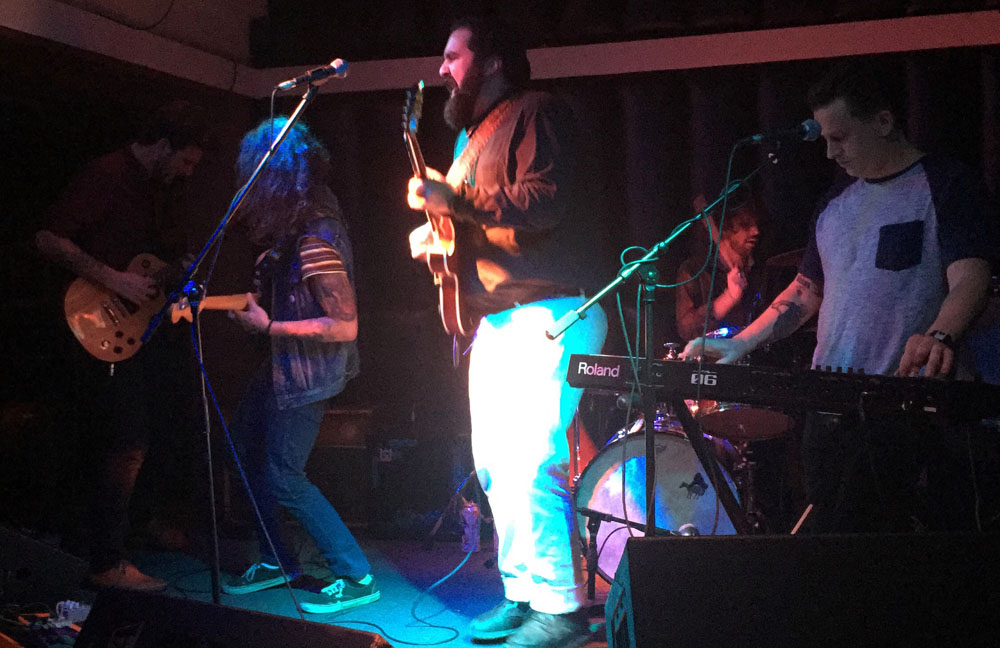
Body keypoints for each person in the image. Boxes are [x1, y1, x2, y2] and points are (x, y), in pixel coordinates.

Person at [681, 59, 996, 533]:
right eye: (825, 139)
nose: (830, 152)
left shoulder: (946, 184)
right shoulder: (834, 202)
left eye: (840, 137)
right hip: (829, 404)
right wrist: (741, 342)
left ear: (884, 122)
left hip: (907, 403)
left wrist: (938, 336)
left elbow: (971, 277)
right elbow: (805, 290)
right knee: (832, 545)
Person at [406, 15, 608, 648]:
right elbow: (473, 225)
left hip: (550, 310)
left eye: (453, 56)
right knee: (494, 465)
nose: (442, 69)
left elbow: (545, 199)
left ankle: (562, 609)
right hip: (498, 318)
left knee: (532, 461)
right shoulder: (470, 136)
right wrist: (436, 238)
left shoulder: (537, 110)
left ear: (491, 62)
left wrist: (455, 203)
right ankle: (523, 593)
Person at [35, 100, 208, 591]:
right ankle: (105, 560)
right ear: (163, 145)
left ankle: (137, 527)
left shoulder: (163, 192)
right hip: (95, 323)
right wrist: (113, 279)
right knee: (124, 441)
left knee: (162, 426)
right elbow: (48, 238)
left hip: (143, 334)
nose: (188, 172)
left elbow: (160, 261)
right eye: (186, 160)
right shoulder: (106, 174)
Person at [220, 117, 378, 615]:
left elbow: (344, 326)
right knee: (243, 448)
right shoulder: (298, 226)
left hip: (308, 375)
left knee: (285, 475)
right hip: (282, 367)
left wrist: (269, 327)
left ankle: (356, 574)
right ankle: (277, 559)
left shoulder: (316, 238)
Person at [675, 200, 761, 341]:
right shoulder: (694, 271)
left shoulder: (760, 269)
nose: (756, 231)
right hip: (713, 354)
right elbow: (686, 330)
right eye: (745, 224)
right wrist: (728, 298)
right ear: (725, 228)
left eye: (756, 224)